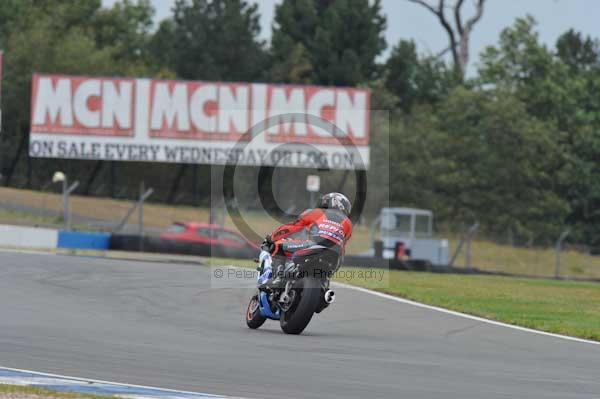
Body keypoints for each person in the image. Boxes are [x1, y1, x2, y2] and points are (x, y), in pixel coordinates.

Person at [258, 193, 353, 287]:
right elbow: (342, 248)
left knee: (278, 246)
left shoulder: (316, 212)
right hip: (335, 256)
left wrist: (272, 238)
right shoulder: (348, 224)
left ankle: (277, 279)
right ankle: (324, 286)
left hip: (313, 245)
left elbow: (292, 227)